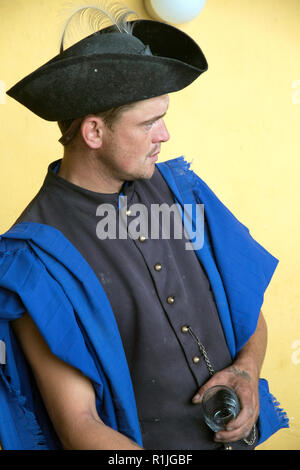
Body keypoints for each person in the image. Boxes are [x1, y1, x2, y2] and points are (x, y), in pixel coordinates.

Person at [0, 6, 288, 450]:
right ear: (94, 132)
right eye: (149, 123)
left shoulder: (183, 194)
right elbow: (80, 426)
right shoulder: (35, 258)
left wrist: (247, 372)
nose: (165, 135)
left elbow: (246, 312)